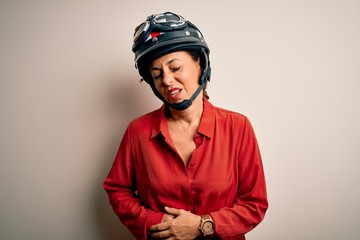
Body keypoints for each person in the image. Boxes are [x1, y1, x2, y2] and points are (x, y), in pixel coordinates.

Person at [103, 11, 268, 240]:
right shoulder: (137, 132)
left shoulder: (238, 127)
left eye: (175, 67)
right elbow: (117, 190)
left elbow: (254, 204)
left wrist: (204, 225)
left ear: (200, 63)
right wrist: (156, 222)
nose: (167, 80)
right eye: (157, 74)